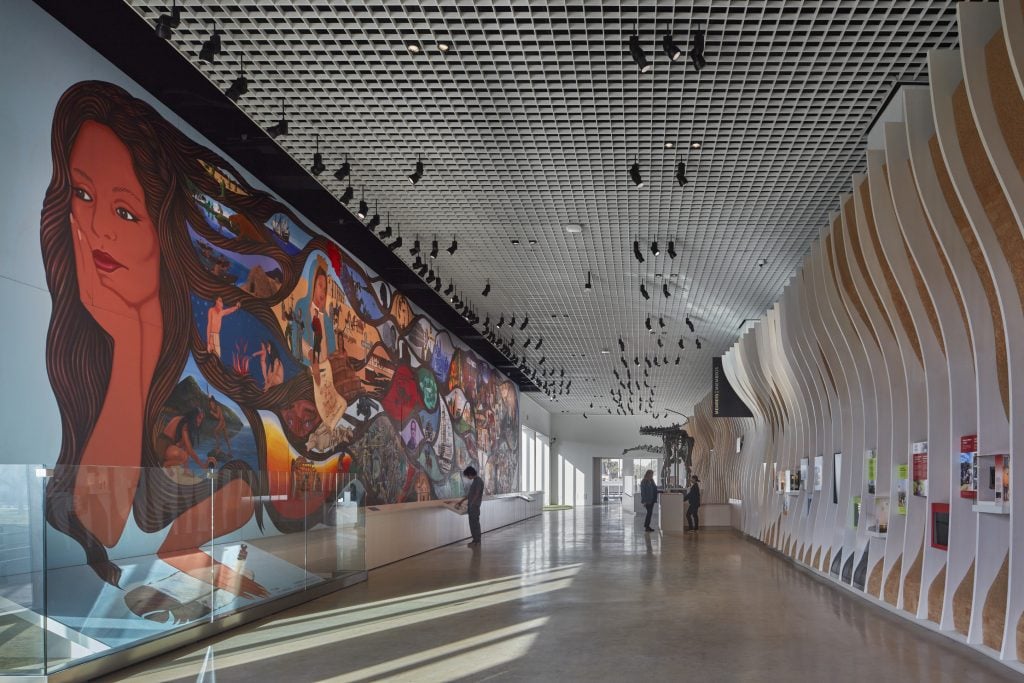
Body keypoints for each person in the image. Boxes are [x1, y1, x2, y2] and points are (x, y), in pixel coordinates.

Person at [458, 466, 485, 546]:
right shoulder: (475, 481)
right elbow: (470, 495)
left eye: (467, 475)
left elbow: (476, 493)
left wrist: (472, 503)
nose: (467, 477)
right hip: (472, 506)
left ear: (470, 474)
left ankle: (477, 541)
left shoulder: (478, 481)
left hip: (474, 507)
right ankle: (475, 540)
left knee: (475, 524)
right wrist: (461, 501)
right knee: (472, 524)